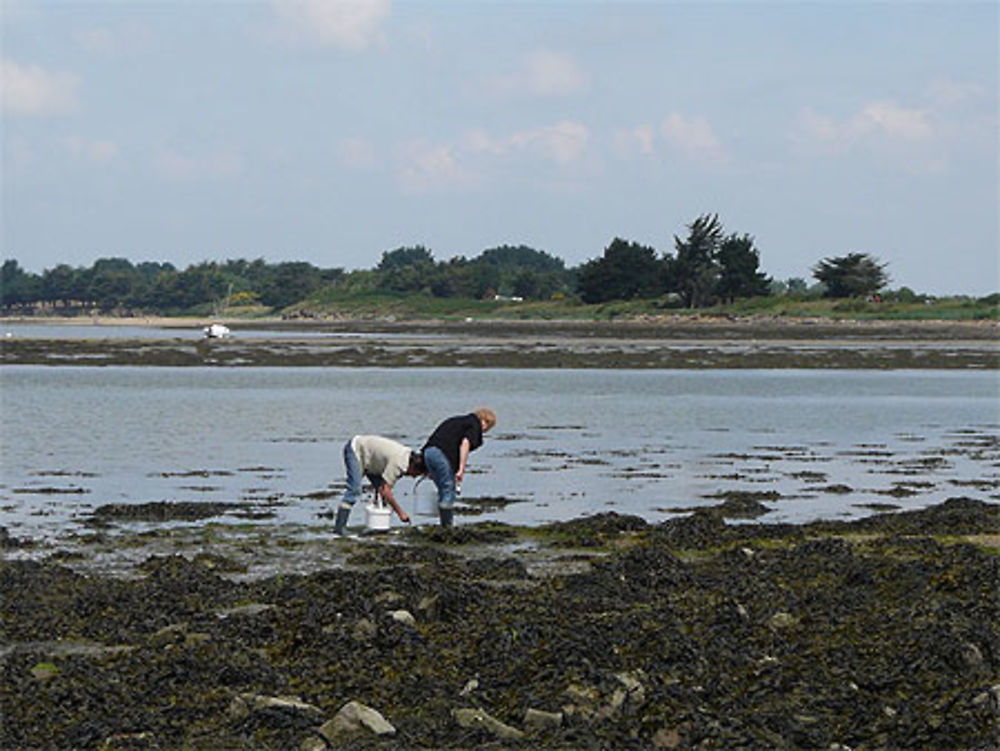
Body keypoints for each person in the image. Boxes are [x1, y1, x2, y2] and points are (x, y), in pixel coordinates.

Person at [334, 435, 425, 535]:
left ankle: (377, 525)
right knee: (354, 490)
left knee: (380, 493)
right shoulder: (399, 463)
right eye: (415, 474)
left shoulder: (407, 457)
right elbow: (386, 490)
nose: (412, 477)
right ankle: (339, 528)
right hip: (356, 449)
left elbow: (383, 489)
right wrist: (400, 513)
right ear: (413, 467)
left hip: (372, 460)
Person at [422, 408, 497, 527]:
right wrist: (461, 469)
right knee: (448, 489)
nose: (485, 431)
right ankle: (447, 526)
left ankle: (444, 521)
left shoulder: (457, 421)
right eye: (488, 427)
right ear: (484, 421)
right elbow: (465, 444)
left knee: (443, 489)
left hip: (428, 452)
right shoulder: (474, 424)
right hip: (441, 455)